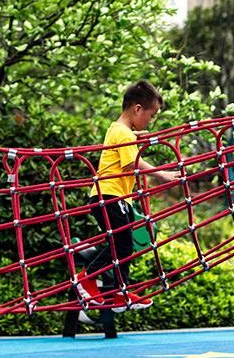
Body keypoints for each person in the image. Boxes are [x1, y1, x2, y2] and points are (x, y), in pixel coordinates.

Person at [76, 80, 179, 312]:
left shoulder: (119, 130)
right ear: (138, 109)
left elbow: (125, 151)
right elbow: (133, 162)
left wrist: (133, 137)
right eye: (151, 115)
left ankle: (120, 293)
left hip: (114, 198)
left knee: (122, 245)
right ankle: (87, 277)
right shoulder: (123, 134)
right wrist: (162, 173)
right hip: (109, 197)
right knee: (123, 245)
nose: (150, 121)